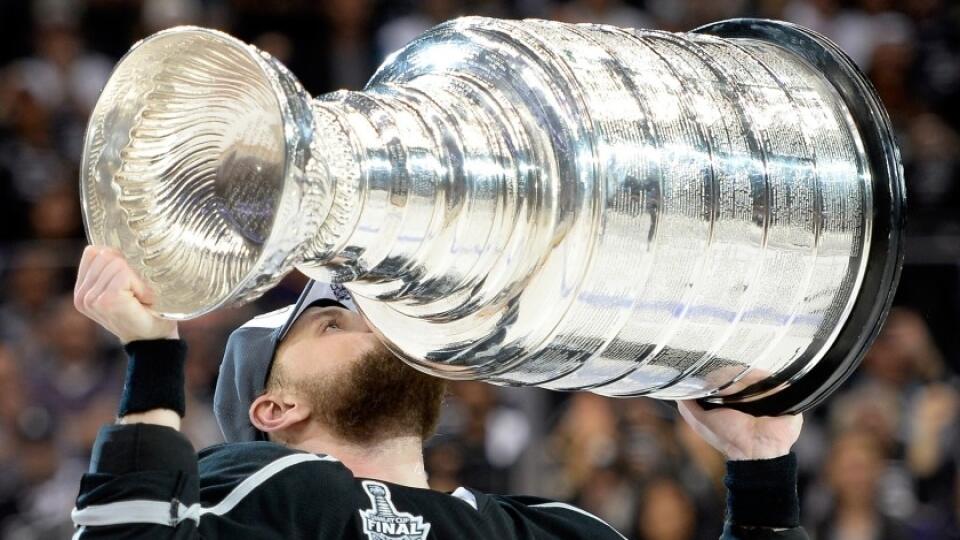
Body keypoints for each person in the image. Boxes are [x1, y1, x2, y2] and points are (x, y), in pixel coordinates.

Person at [70, 246, 807, 539]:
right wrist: (154, 350)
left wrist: (761, 465)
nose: (374, 320)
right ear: (276, 409)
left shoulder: (549, 528)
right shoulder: (257, 488)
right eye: (334, 320)